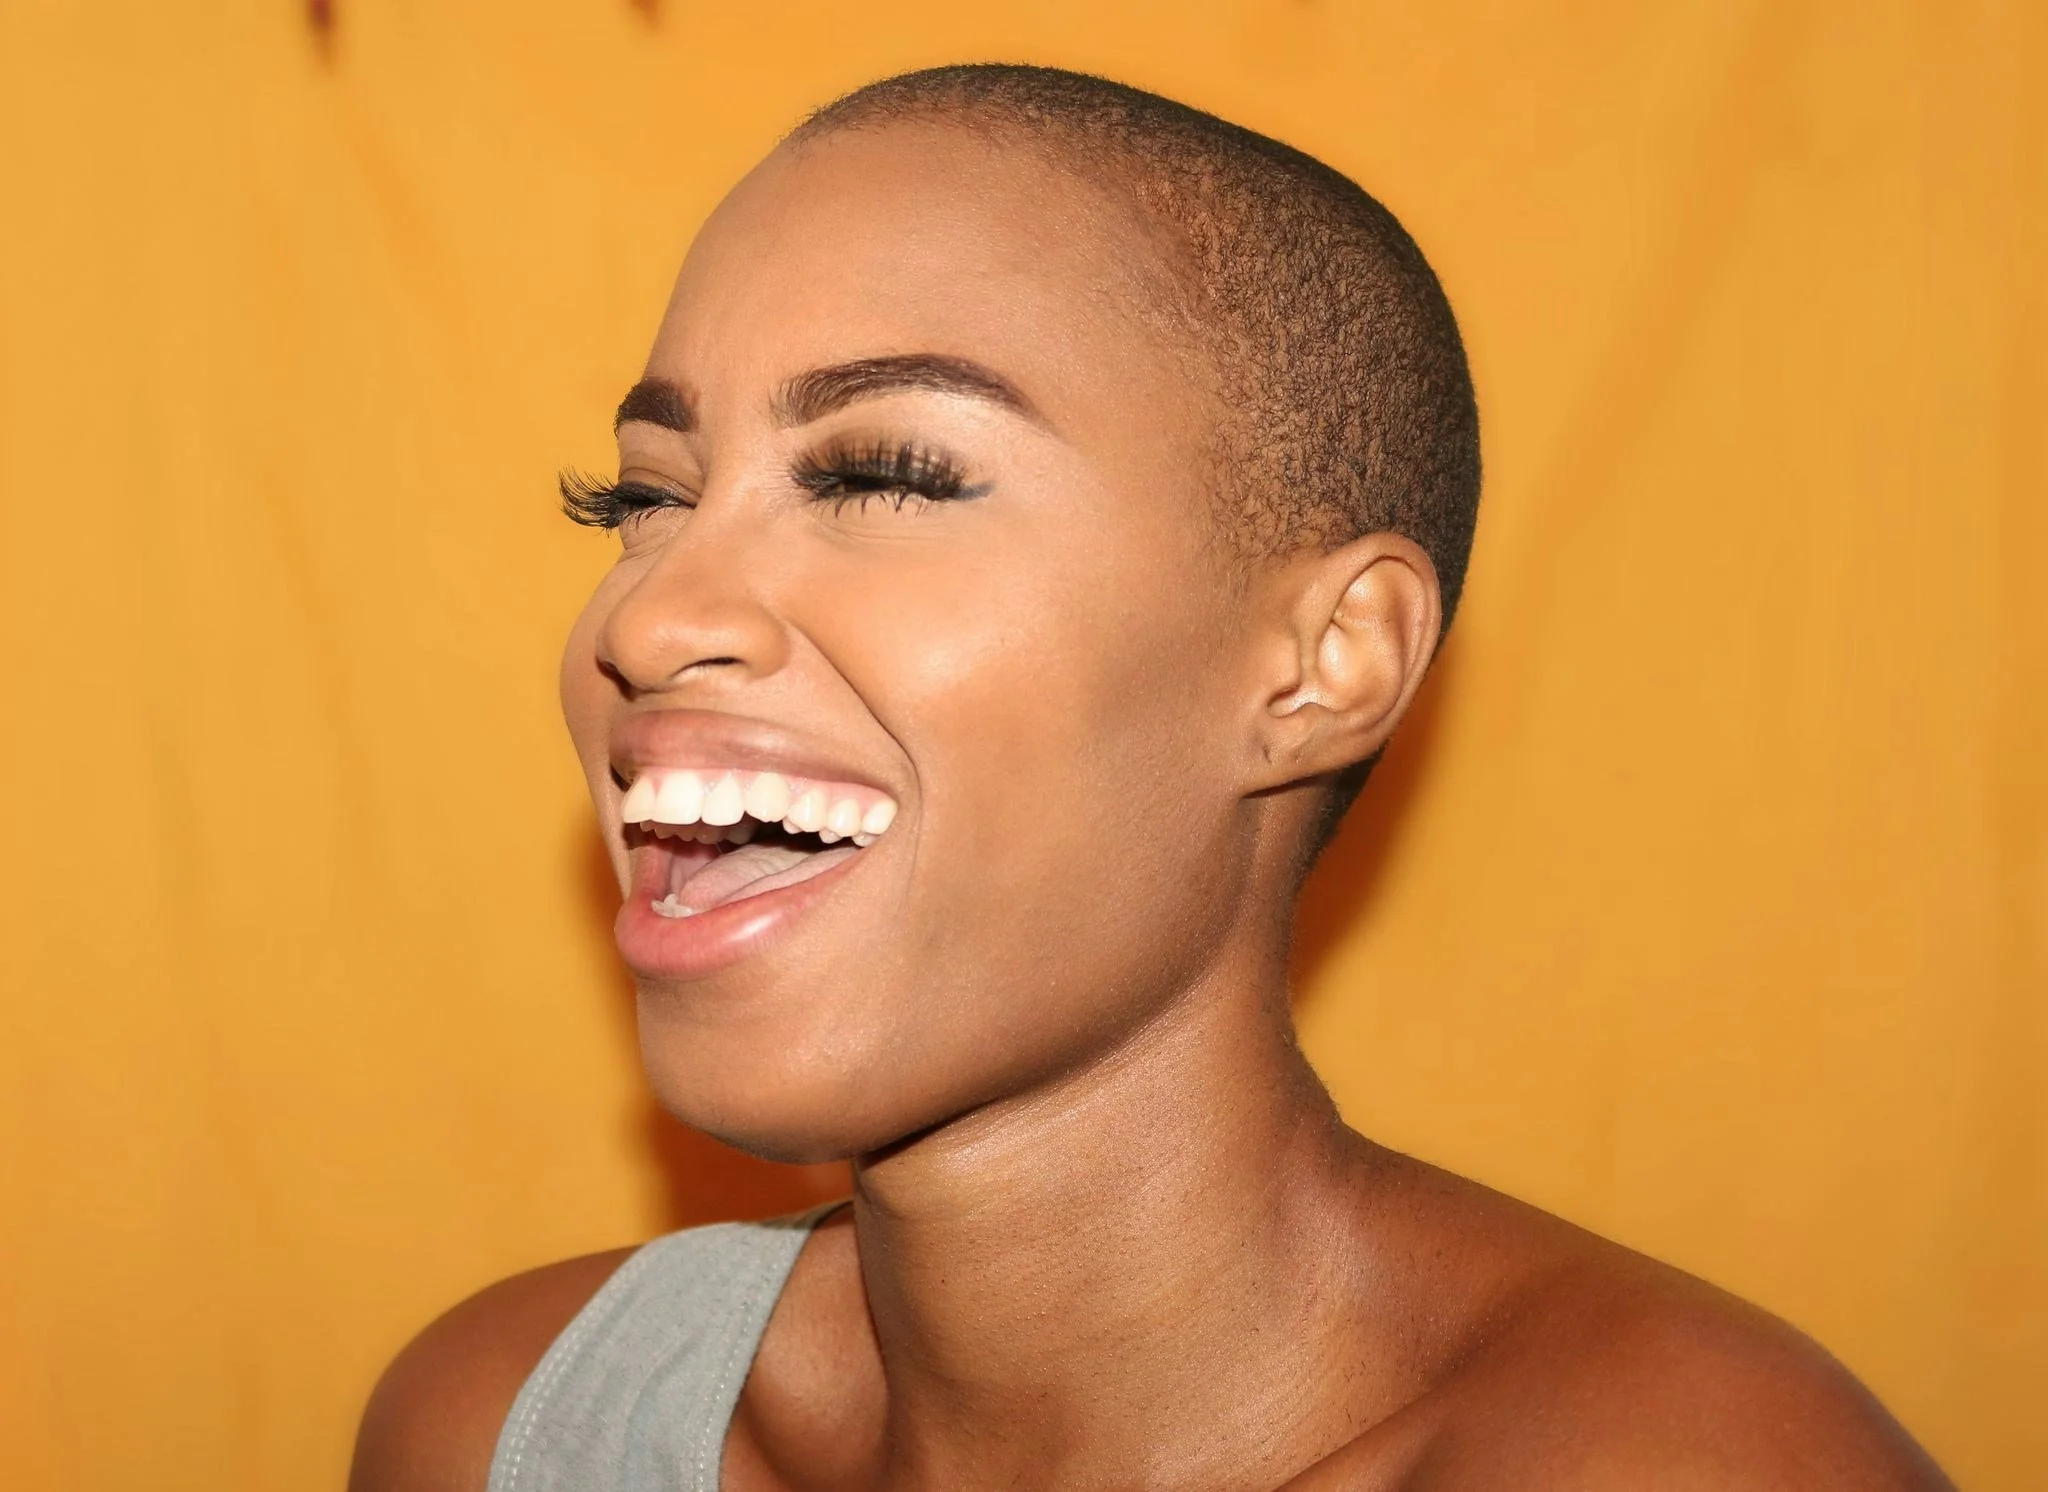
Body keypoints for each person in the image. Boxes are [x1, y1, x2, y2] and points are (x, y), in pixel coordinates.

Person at [350, 64, 1950, 1492]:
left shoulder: (1687, 1465)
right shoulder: (507, 1427)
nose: (652, 612)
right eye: (639, 499)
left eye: (887, 474)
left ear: (1325, 664)